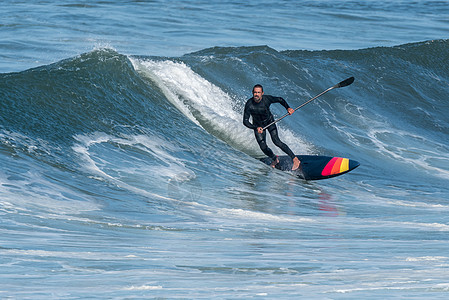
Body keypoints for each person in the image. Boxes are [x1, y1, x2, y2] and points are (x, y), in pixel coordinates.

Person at [243, 84, 301, 170]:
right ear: (252, 93)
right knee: (263, 147)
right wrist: (255, 128)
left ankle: (295, 159)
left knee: (276, 141)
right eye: (255, 92)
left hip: (269, 122)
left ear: (262, 93)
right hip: (258, 126)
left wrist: (288, 108)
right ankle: (275, 159)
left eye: (258, 92)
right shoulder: (249, 104)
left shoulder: (267, 99)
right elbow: (245, 121)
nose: (256, 94)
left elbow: (280, 99)